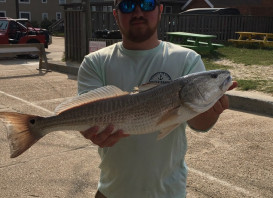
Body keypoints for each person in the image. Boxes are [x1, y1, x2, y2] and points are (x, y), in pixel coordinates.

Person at [78, 0, 237, 197]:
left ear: (160, 10)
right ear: (115, 14)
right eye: (127, 6)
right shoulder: (95, 62)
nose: (137, 11)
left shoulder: (187, 59)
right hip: (112, 191)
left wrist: (212, 111)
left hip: (169, 192)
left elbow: (199, 124)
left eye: (147, 4)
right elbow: (84, 114)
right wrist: (91, 132)